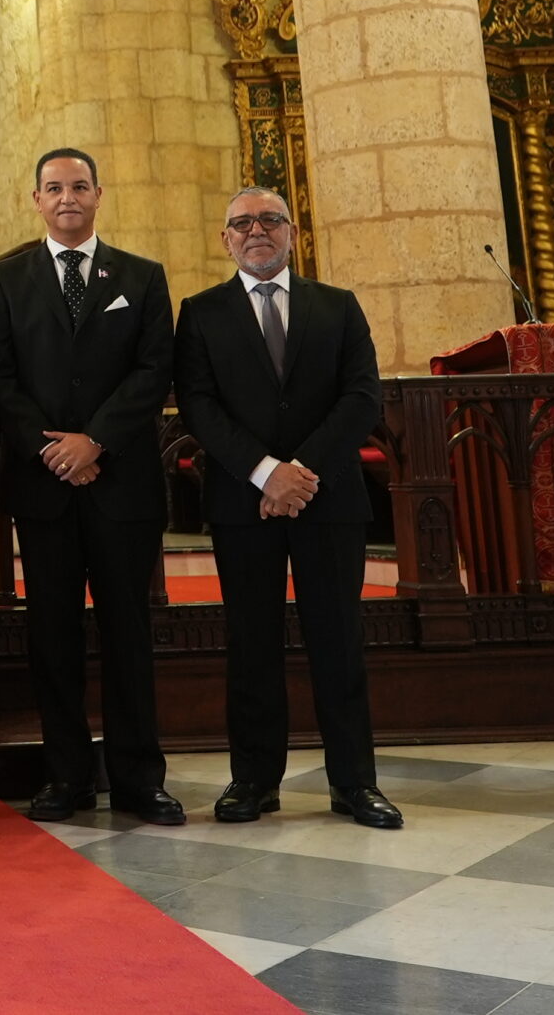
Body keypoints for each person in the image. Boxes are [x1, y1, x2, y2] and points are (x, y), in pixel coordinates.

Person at [174, 188, 403, 830]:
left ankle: (355, 783)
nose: (256, 231)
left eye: (270, 220)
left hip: (328, 500)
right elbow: (199, 406)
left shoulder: (338, 307)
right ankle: (252, 779)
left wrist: (299, 472)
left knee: (339, 641)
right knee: (251, 643)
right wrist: (265, 472)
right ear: (225, 239)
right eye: (242, 223)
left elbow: (362, 398)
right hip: (243, 503)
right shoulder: (201, 313)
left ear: (292, 231)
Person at [0, 148, 183, 826]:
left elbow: (155, 370)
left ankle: (139, 779)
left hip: (121, 483)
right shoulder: (6, 277)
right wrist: (53, 449)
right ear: (34, 198)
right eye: (55, 187)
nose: (68, 197)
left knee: (129, 632)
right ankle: (65, 776)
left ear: (99, 194)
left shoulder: (143, 277)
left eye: (80, 186)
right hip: (43, 486)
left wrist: (95, 441)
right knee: (52, 635)